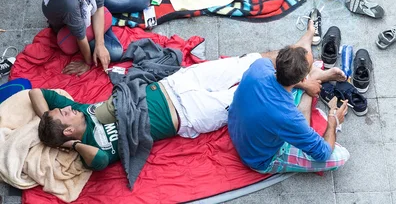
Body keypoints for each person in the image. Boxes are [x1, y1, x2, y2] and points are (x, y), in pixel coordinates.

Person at [30, 27, 344, 171]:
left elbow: (35, 93)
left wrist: (48, 124)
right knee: (248, 96)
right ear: (71, 133)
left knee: (247, 61)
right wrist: (67, 143)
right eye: (65, 116)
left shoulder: (84, 111)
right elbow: (97, 162)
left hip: (175, 83)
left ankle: (302, 63)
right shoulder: (98, 148)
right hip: (190, 114)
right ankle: (308, 77)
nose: (68, 106)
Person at [228, 22, 350, 175]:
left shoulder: (260, 65)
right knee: (340, 156)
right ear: (302, 79)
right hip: (257, 158)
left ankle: (314, 76)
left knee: (293, 114)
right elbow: (323, 153)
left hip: (237, 127)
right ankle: (315, 75)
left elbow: (281, 79)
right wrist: (333, 122)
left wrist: (306, 86)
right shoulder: (289, 117)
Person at [42, 0, 149, 75]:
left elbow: (98, 6)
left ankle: (105, 19)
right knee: (115, 53)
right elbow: (80, 36)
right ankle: (105, 20)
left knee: (143, 0)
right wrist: (87, 63)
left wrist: (100, 44)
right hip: (70, 20)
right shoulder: (70, 4)